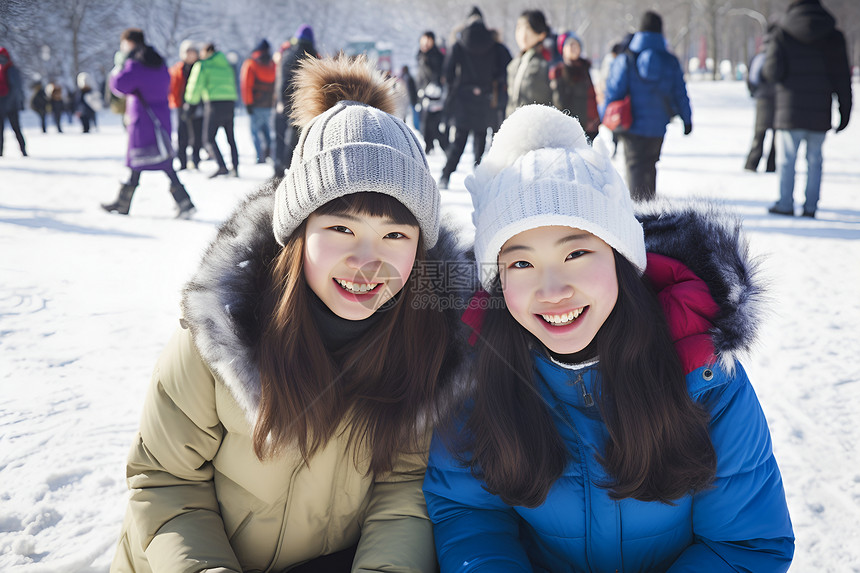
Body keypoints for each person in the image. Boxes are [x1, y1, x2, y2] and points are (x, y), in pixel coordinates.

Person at [109, 55, 468, 573]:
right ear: (297, 234)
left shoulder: (425, 346)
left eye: (395, 235)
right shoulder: (222, 335)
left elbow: (402, 488)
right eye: (341, 229)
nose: (368, 262)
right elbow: (165, 480)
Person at [423, 104, 795, 572]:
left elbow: (747, 545)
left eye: (576, 252)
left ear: (622, 260)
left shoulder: (705, 377)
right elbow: (470, 512)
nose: (552, 289)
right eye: (520, 263)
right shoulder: (477, 378)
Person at [763, 0, 852, 218]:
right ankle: (810, 207)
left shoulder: (782, 32)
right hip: (820, 110)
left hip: (789, 109)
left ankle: (785, 203)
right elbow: (842, 77)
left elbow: (771, 72)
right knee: (815, 160)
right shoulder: (833, 35)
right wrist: (845, 109)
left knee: (786, 161)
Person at [101, 28, 195, 219]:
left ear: (130, 43)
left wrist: (119, 66)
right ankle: (183, 202)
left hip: (142, 120)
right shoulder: (158, 60)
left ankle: (123, 202)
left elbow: (119, 86)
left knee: (137, 161)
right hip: (159, 118)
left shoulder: (134, 63)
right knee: (162, 160)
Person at [603, 11, 692, 201]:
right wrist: (687, 119)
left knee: (634, 167)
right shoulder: (671, 61)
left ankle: (637, 215)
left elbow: (613, 92)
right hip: (658, 126)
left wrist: (604, 115)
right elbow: (680, 92)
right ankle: (649, 206)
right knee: (651, 165)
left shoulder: (626, 59)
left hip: (631, 126)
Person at [439, 6, 502, 189]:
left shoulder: (459, 44)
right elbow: (502, 69)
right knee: (480, 142)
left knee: (458, 142)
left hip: (463, 99)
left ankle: (445, 176)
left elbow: (448, 72)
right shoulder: (494, 43)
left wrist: (455, 87)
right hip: (485, 97)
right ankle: (479, 180)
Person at [185, 42, 240, 178]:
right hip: (229, 103)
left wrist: (190, 104)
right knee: (230, 138)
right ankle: (235, 167)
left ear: (206, 52)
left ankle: (222, 166)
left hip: (214, 104)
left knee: (208, 138)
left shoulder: (203, 65)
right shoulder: (226, 64)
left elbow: (195, 86)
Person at [273, 24, 318, 179]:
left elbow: (283, 80)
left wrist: (280, 100)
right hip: (306, 103)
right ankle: (294, 168)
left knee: (281, 135)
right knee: (299, 136)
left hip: (287, 102)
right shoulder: (314, 56)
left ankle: (281, 169)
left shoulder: (289, 54)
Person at [550, 31, 600, 142]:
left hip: (589, 126)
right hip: (570, 128)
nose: (573, 48)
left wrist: (595, 120)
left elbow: (591, 96)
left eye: (576, 44)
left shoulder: (585, 69)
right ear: (562, 49)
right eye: (569, 45)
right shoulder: (558, 71)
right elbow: (558, 102)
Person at [506, 10, 552, 119]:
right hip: (516, 127)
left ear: (541, 34)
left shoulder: (549, 61)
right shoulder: (514, 64)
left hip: (539, 127)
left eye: (528, 28)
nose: (522, 34)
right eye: (519, 28)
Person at [744, 33, 777, 174]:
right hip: (779, 100)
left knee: (759, 134)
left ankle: (752, 164)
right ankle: (772, 165)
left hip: (763, 100)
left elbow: (752, 78)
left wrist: (754, 92)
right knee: (777, 136)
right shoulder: (782, 57)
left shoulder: (761, 57)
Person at [240, 38, 276, 164]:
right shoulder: (273, 64)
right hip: (268, 104)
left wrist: (247, 103)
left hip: (255, 104)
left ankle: (259, 156)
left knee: (255, 132)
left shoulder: (251, 63)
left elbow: (246, 85)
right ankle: (270, 153)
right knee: (267, 131)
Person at [168, 40, 202, 171]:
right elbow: (172, 87)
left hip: (197, 105)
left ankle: (195, 160)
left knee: (197, 135)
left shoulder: (200, 67)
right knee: (182, 135)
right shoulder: (177, 69)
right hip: (180, 105)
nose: (190, 55)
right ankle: (182, 162)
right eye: (187, 52)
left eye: (192, 52)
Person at [416, 31, 447, 154]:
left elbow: (438, 76)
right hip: (425, 95)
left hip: (435, 96)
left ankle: (444, 148)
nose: (425, 44)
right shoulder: (421, 56)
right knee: (427, 125)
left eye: (428, 41)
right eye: (423, 41)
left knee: (433, 126)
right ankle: (430, 147)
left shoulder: (435, 56)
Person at [0, 46, 27, 157]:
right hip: (3, 105)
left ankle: (23, 151)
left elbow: (16, 88)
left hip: (11, 105)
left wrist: (16, 103)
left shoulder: (11, 70)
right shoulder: (7, 69)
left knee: (16, 128)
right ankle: (0, 152)